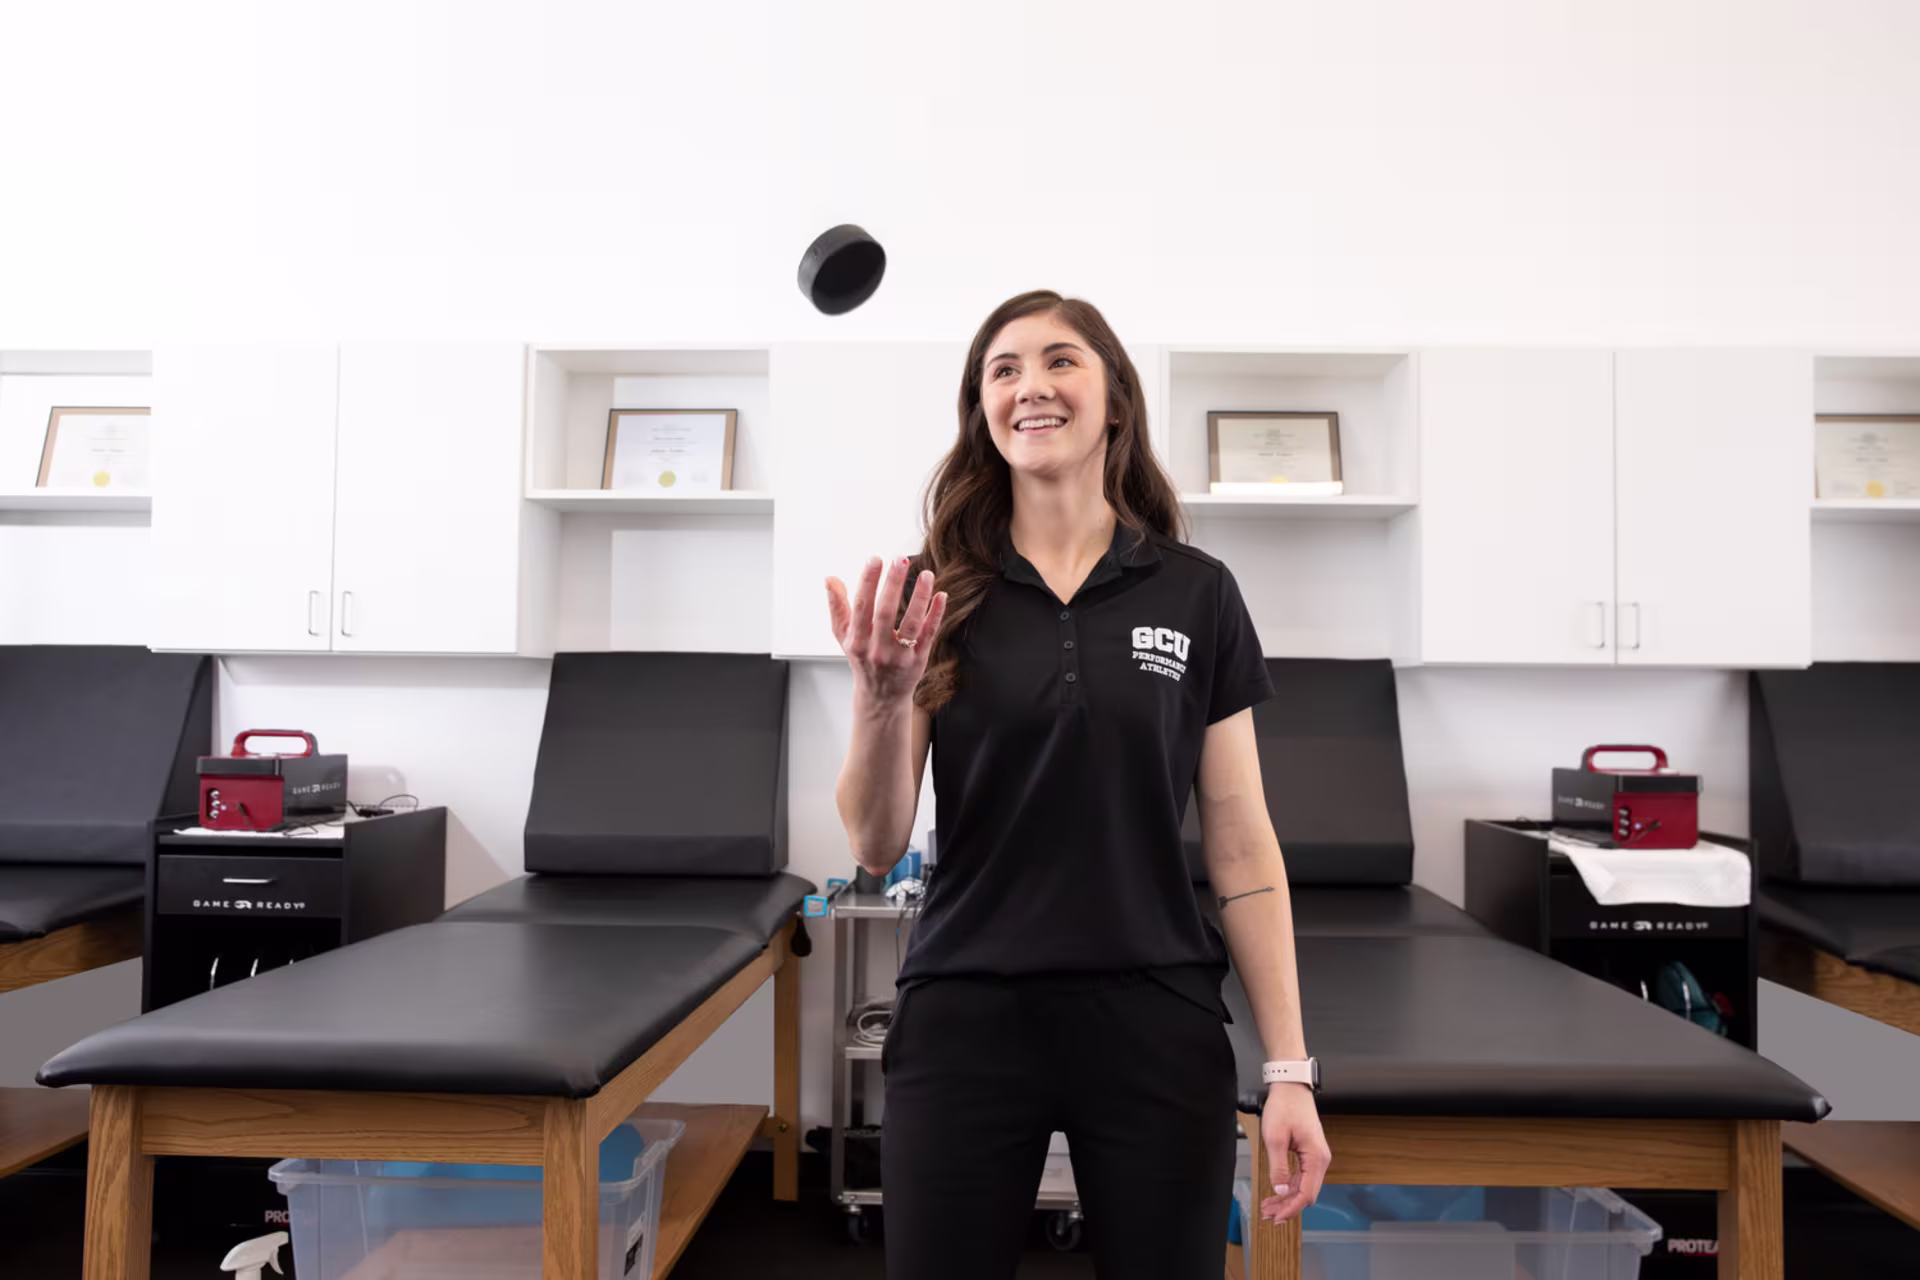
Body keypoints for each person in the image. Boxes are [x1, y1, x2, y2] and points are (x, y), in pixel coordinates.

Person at [827, 289, 1330, 1278]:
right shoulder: (940, 591)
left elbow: (1240, 843)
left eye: (1060, 360)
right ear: (985, 411)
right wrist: (882, 700)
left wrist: (1289, 1070)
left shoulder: (1196, 591)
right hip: (968, 1008)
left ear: (1114, 401)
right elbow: (874, 843)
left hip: (1153, 1012)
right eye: (1003, 369)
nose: (1030, 386)